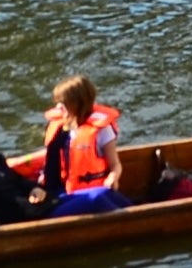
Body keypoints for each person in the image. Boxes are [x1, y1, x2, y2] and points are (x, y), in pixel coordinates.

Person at [32, 77, 127, 216]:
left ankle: (136, 213)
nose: (58, 107)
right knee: (97, 198)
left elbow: (115, 165)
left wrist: (113, 178)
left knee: (104, 193)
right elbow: (51, 162)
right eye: (58, 102)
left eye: (63, 103)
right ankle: (135, 218)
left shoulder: (102, 130)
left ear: (77, 103)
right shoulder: (59, 128)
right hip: (58, 197)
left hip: (85, 191)